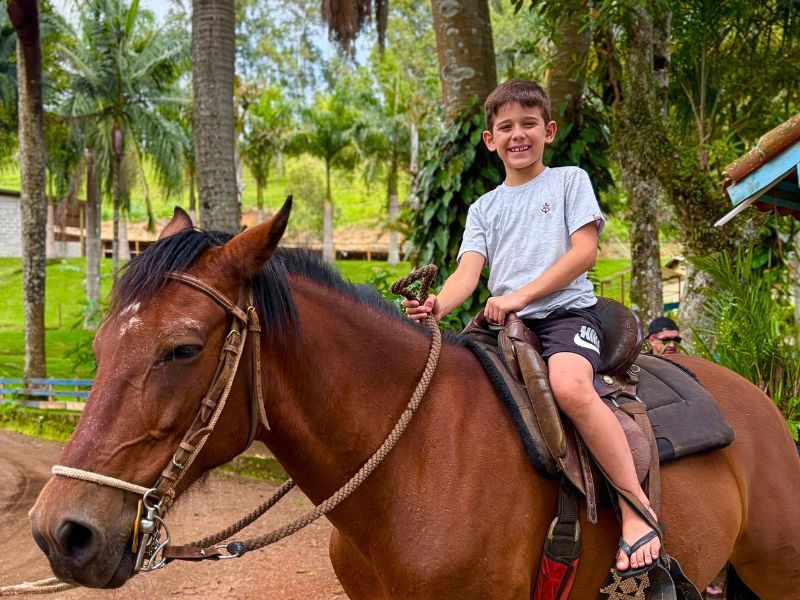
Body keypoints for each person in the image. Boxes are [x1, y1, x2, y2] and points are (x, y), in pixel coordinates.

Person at [403, 79, 661, 576]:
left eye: (527, 124)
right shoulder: (484, 207)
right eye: (506, 127)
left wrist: (520, 296)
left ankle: (635, 511)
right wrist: (438, 304)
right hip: (506, 324)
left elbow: (584, 252)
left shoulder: (568, 181)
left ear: (549, 130)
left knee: (570, 387)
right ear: (490, 140)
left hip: (566, 315)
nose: (517, 135)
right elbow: (468, 273)